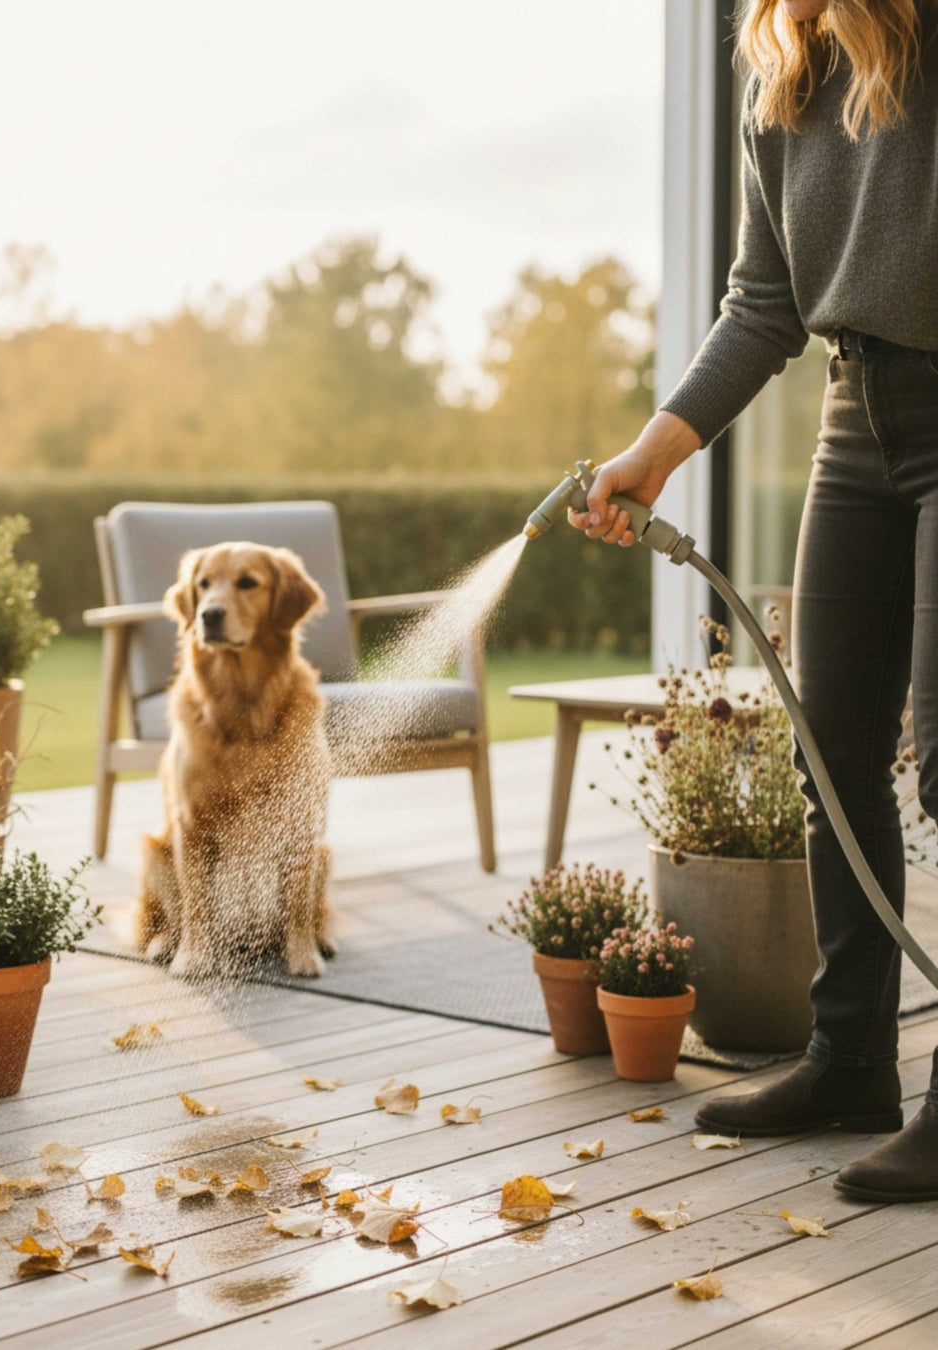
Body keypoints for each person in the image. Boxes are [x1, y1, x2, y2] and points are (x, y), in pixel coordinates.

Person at [571, 0, 938, 1203]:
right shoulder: (781, 75)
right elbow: (764, 302)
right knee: (829, 751)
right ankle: (849, 1061)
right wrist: (655, 450)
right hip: (856, 426)